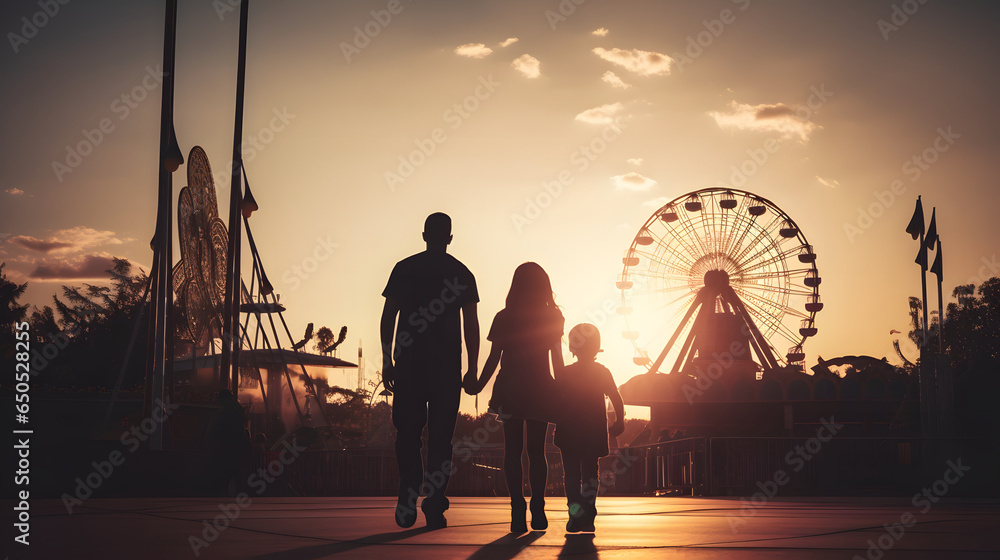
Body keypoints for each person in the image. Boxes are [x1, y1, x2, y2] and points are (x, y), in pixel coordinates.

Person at [381, 212, 479, 530]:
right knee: (441, 440)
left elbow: (388, 318)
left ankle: (408, 495)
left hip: (409, 366)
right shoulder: (462, 273)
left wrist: (387, 360)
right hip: (446, 370)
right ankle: (435, 502)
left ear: (424, 235)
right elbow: (471, 327)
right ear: (450, 238)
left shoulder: (404, 269)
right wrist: (473, 367)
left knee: (407, 435)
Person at [465, 262, 563, 533]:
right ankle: (539, 506)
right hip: (541, 388)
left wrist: (476, 384)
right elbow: (557, 360)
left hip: (510, 388)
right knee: (537, 451)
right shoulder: (552, 317)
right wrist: (566, 390)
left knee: (513, 451)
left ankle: (516, 507)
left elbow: (494, 358)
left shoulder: (504, 317)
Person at [554, 323, 625, 533]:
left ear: (573, 348)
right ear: (596, 347)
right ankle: (589, 512)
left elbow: (554, 399)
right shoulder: (602, 372)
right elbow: (616, 397)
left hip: (569, 430)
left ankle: (575, 515)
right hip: (593, 430)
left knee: (572, 475)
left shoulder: (565, 373)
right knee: (590, 473)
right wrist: (619, 421)